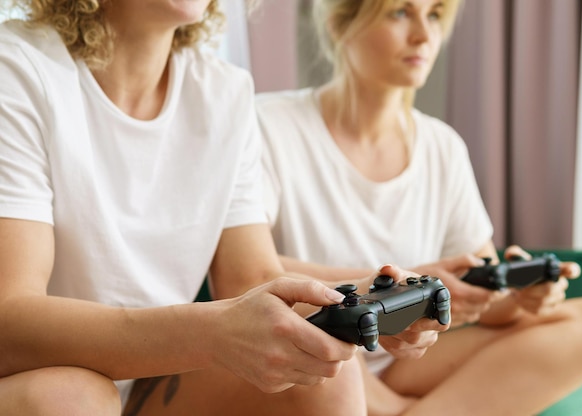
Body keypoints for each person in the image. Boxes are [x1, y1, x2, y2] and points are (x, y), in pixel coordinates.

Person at [0, 1, 449, 415]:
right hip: (34, 376)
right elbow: (8, 321)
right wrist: (210, 334)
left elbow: (251, 280)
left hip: (150, 382)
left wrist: (356, 295)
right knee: (72, 398)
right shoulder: (18, 69)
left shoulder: (224, 91)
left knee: (321, 369)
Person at [256, 0, 582, 415]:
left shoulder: (442, 146)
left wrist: (518, 295)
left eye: (434, 15)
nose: (424, 34)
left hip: (413, 357)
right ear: (339, 22)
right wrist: (409, 283)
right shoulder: (269, 125)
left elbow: (487, 304)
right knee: (326, 354)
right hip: (324, 351)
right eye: (400, 12)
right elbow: (254, 275)